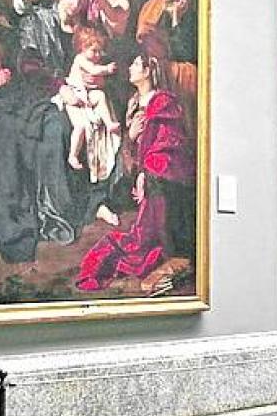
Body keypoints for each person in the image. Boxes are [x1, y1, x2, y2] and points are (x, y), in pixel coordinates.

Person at [77, 47, 195, 291]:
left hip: (164, 179)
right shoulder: (134, 103)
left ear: (149, 71)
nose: (130, 68)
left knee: (143, 240)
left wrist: (145, 173)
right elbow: (131, 149)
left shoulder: (163, 102)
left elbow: (167, 146)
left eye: (135, 64)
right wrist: (130, 137)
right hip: (138, 172)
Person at [63, 26, 120, 180]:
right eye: (94, 51)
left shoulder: (94, 59)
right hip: (74, 97)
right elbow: (94, 70)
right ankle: (73, 156)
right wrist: (107, 69)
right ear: (83, 48)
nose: (97, 55)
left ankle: (110, 123)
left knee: (101, 96)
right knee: (80, 126)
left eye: (99, 51)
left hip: (86, 96)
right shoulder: (80, 59)